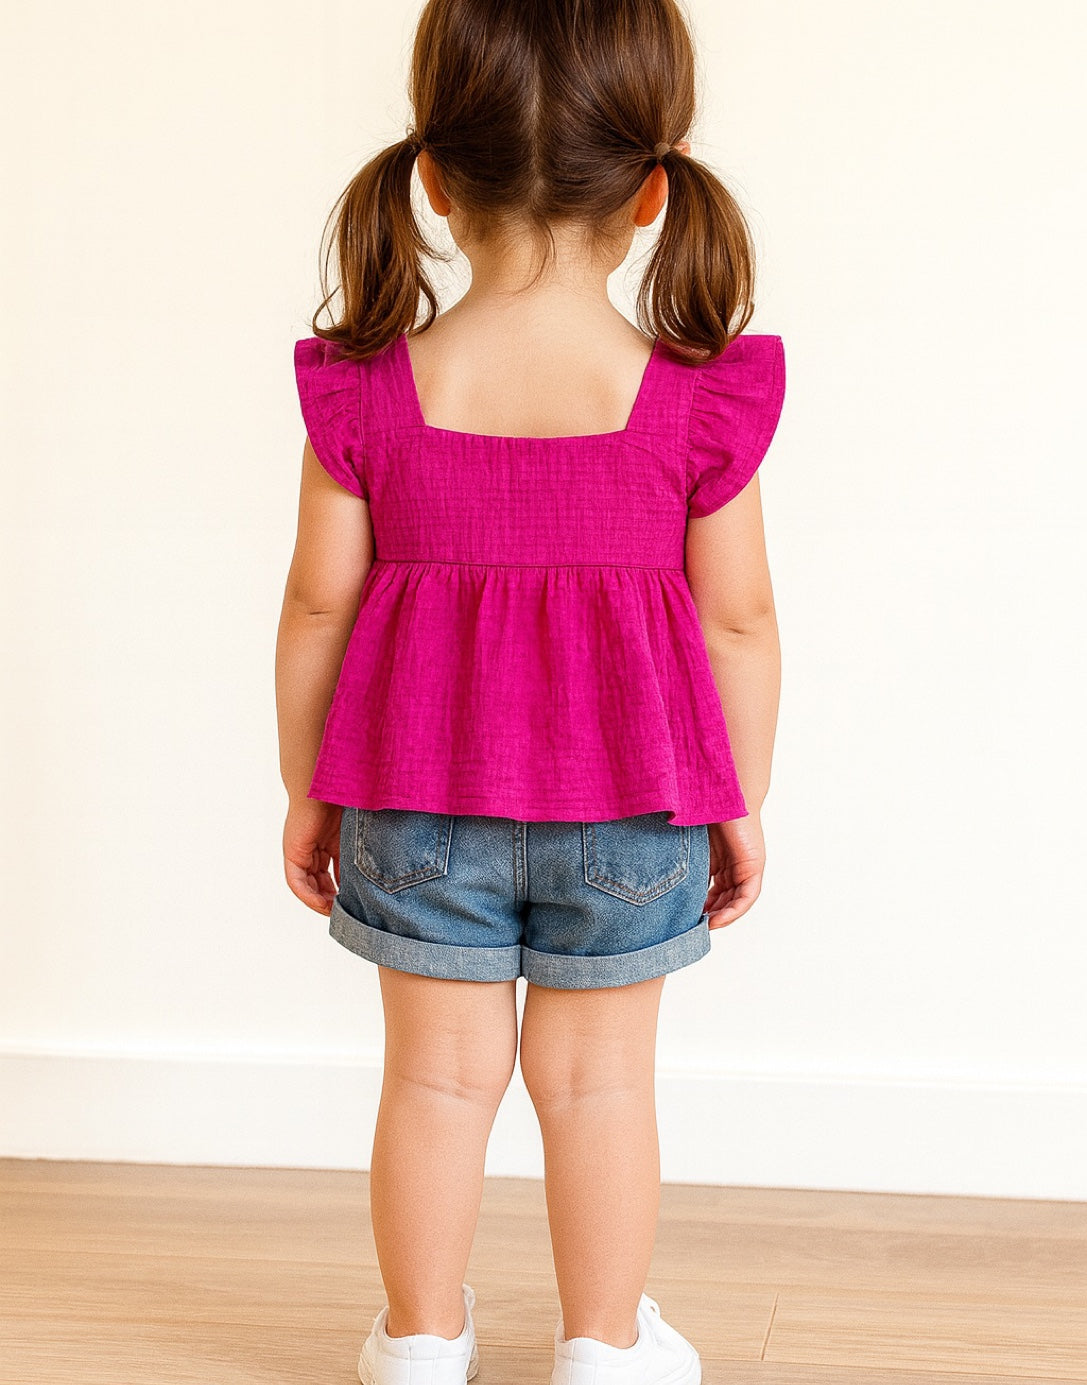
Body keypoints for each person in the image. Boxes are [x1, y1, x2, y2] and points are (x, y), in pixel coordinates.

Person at [275, 2, 786, 1381]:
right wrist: (735, 799)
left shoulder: (371, 389)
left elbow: (319, 603)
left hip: (412, 796)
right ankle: (605, 1349)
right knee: (601, 1084)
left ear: (434, 181)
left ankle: (421, 1344)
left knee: (436, 1082)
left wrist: (308, 784)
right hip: (634, 809)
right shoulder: (693, 398)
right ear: (652, 191)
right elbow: (738, 622)